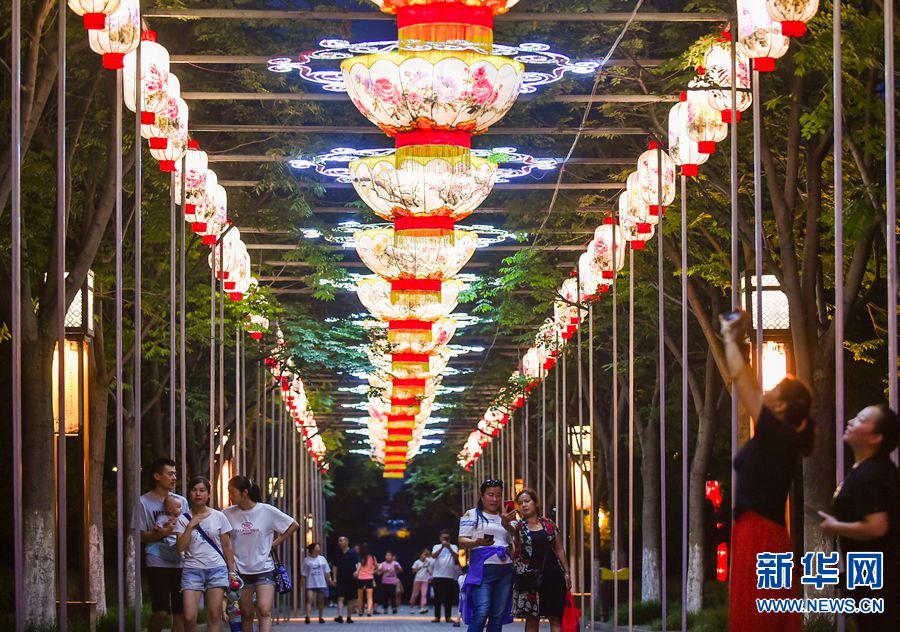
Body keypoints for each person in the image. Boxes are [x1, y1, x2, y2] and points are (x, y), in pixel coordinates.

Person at [721, 310, 815, 632]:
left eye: (775, 388)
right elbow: (743, 380)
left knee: (756, 621)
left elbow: (742, 379)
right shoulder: (778, 437)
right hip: (760, 533)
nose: (768, 389)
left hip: (760, 535)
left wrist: (730, 337)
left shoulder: (776, 433)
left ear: (781, 406)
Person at [818, 404, 900, 631]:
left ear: (875, 437)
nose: (852, 420)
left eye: (862, 419)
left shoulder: (873, 474)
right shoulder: (868, 470)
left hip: (882, 588)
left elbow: (877, 527)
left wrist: (837, 526)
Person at [223, 475, 299, 632]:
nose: (230, 496)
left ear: (245, 492)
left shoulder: (266, 511)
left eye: (232, 492)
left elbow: (293, 525)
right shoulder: (226, 514)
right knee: (246, 614)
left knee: (264, 610)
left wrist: (274, 543)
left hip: (264, 568)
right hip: (240, 571)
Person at [174, 476, 237, 632]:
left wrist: (232, 572)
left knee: (214, 615)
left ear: (208, 494)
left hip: (216, 569)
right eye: (194, 490)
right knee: (189, 617)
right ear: (189, 493)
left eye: (202, 490)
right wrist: (190, 526)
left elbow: (227, 546)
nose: (198, 494)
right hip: (192, 570)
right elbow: (180, 547)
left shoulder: (219, 516)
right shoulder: (182, 519)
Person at [504, 488, 570, 632]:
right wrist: (504, 522)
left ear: (536, 503)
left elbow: (559, 549)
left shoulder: (549, 524)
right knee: (532, 620)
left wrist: (566, 572)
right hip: (529, 579)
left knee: (555, 618)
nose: (524, 505)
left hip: (553, 575)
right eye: (520, 503)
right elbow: (509, 528)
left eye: (527, 501)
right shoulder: (519, 526)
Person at [138, 457, 189, 632]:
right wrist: (161, 534)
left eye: (175, 474)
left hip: (180, 560)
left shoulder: (182, 502)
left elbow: (188, 529)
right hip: (156, 559)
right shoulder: (143, 502)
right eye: (170, 474)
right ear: (157, 476)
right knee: (161, 611)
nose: (174, 478)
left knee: (180, 612)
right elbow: (140, 536)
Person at [459, 479, 515, 632]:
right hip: (482, 570)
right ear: (482, 496)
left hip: (505, 570)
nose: (494, 499)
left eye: (498, 495)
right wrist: (477, 542)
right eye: (490, 495)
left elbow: (514, 541)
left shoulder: (505, 518)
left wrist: (507, 525)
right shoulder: (472, 514)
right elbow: (461, 541)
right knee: (482, 612)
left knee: (497, 615)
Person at [431, 530, 461, 622]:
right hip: (437, 575)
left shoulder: (454, 547)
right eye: (443, 538)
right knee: (437, 597)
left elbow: (456, 557)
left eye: (447, 538)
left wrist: (449, 547)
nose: (445, 539)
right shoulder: (436, 547)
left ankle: (448, 617)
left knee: (448, 598)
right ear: (440, 538)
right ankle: (437, 616)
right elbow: (433, 556)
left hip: (449, 576)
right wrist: (442, 547)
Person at [302, 542, 333, 624]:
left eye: (319, 547)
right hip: (310, 582)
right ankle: (308, 616)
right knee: (309, 599)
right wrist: (302, 583)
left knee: (320, 601)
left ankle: (320, 616)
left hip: (321, 582)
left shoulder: (322, 559)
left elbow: (327, 571)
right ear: (312, 549)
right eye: (317, 547)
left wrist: (330, 580)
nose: (319, 549)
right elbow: (304, 573)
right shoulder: (306, 560)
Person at [331, 536, 359, 623]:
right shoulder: (337, 553)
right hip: (340, 578)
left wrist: (357, 571)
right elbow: (335, 566)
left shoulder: (353, 553)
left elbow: (358, 563)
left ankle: (349, 617)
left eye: (341, 541)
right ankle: (340, 616)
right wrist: (334, 578)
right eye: (339, 541)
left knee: (351, 599)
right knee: (340, 597)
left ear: (347, 542)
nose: (340, 543)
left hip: (351, 578)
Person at [355, 543, 378, 616]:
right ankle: (368, 611)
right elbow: (376, 566)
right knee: (369, 596)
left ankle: (361, 611)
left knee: (360, 597)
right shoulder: (372, 557)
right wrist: (372, 571)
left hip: (360, 578)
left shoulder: (359, 557)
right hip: (369, 578)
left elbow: (357, 567)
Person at [410, 549, 433, 614]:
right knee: (415, 594)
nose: (425, 556)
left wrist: (430, 576)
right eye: (423, 554)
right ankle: (412, 607)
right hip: (417, 580)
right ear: (420, 555)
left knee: (424, 594)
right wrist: (418, 568)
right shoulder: (417, 562)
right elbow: (413, 571)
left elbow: (430, 571)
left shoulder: (428, 562)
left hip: (425, 580)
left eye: (426, 555)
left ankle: (422, 608)